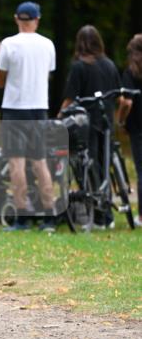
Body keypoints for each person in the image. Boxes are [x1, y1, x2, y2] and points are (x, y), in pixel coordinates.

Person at [0, 1, 56, 232]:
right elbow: (45, 75)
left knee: (16, 164)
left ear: (17, 18)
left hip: (14, 109)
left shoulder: (9, 44)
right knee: (40, 162)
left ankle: (22, 217)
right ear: (37, 20)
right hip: (39, 107)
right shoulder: (48, 44)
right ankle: (49, 217)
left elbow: (0, 80)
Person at [60, 25, 121, 229]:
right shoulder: (110, 65)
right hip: (106, 121)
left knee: (88, 166)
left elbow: (70, 98)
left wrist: (59, 117)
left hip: (85, 124)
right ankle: (107, 215)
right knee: (105, 166)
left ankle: (97, 215)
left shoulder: (79, 66)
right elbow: (118, 96)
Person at [117, 33, 142, 228]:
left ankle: (141, 217)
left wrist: (120, 119)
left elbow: (127, 101)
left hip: (138, 127)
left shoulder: (131, 73)